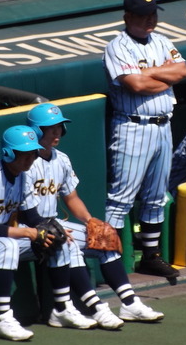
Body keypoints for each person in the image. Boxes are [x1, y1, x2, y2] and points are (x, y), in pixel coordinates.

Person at [0, 125, 97, 342]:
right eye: (25, 154)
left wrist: (50, 230)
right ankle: (1, 319)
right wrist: (28, 233)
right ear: (8, 153)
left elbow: (33, 218)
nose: (30, 159)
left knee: (59, 239)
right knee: (7, 245)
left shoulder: (23, 176)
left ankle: (62, 309)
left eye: (32, 154)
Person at [25, 103, 165, 327]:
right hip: (32, 228)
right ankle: (97, 307)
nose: (57, 132)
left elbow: (71, 198)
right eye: (50, 128)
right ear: (36, 130)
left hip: (56, 224)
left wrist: (90, 220)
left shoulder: (61, 159)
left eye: (59, 127)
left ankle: (129, 303)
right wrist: (50, 228)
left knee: (104, 237)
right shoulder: (25, 161)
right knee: (67, 242)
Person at [102, 0, 186, 282]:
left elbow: (182, 71)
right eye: (142, 15)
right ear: (128, 17)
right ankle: (107, 259)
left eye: (152, 14)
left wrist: (152, 74)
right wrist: (162, 75)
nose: (149, 19)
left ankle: (150, 257)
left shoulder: (163, 41)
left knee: (155, 197)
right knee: (120, 198)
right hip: (131, 126)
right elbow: (135, 85)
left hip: (163, 126)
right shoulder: (117, 47)